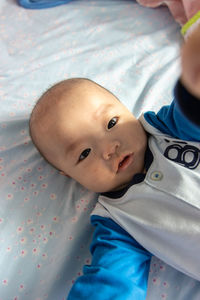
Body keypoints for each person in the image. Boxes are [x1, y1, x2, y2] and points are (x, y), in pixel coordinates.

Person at [29, 21, 200, 299]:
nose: (109, 147)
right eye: (84, 154)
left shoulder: (168, 128)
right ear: (69, 175)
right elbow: (113, 281)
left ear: (128, 112)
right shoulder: (118, 223)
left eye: (111, 122)